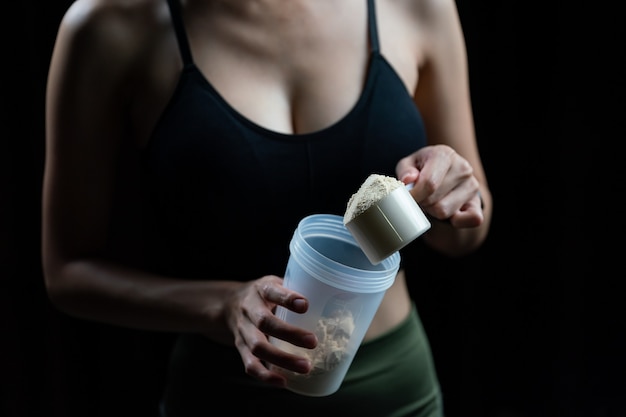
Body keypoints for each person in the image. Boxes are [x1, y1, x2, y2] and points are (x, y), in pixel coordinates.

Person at [42, 0, 492, 415]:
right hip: (224, 396)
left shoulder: (417, 6)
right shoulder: (111, 25)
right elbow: (67, 272)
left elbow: (464, 236)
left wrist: (449, 192)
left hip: (397, 393)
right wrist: (220, 305)